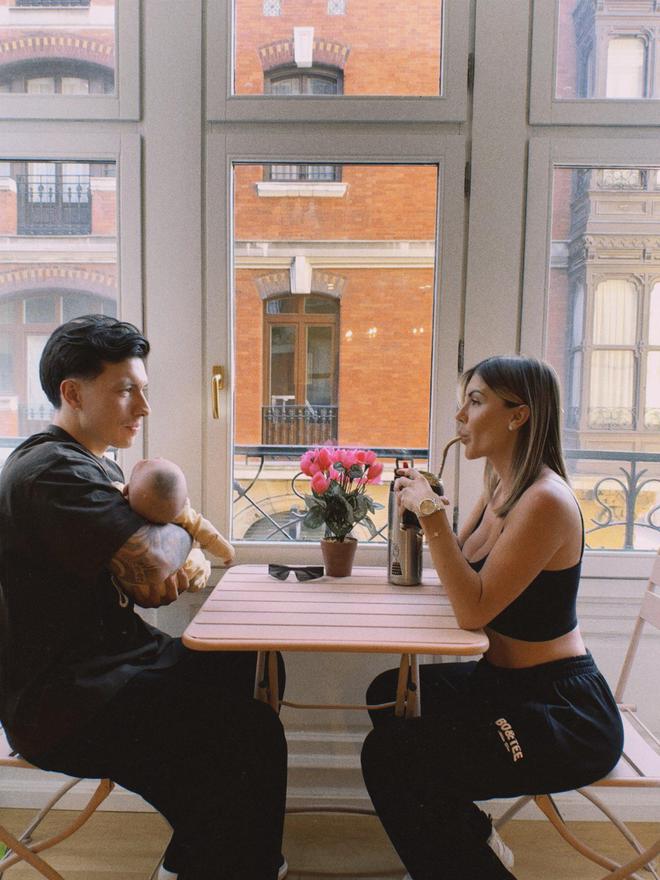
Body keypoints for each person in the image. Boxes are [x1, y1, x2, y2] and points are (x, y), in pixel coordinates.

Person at [0, 315, 288, 880]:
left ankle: (208, 848)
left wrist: (160, 541)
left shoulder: (97, 466)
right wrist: (177, 522)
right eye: (126, 390)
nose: (144, 407)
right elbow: (155, 562)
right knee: (249, 733)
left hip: (117, 667)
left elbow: (148, 588)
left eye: (144, 390)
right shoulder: (51, 473)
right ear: (73, 393)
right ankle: (226, 854)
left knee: (256, 666)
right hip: (66, 701)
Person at [360, 355, 623, 880]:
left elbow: (473, 609)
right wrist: (427, 515)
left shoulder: (545, 500)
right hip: (501, 683)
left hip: (560, 707)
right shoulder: (498, 487)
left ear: (518, 415)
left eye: (476, 401)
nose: (460, 416)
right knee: (389, 692)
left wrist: (433, 516)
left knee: (392, 756)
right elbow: (458, 583)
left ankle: (462, 853)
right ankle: (468, 839)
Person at [117, 456, 236, 591]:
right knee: (195, 564)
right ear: (184, 500)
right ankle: (203, 571)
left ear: (127, 489)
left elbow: (116, 488)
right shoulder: (184, 513)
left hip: (139, 577)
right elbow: (210, 535)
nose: (159, 457)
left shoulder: (122, 497)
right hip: (177, 571)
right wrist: (227, 552)